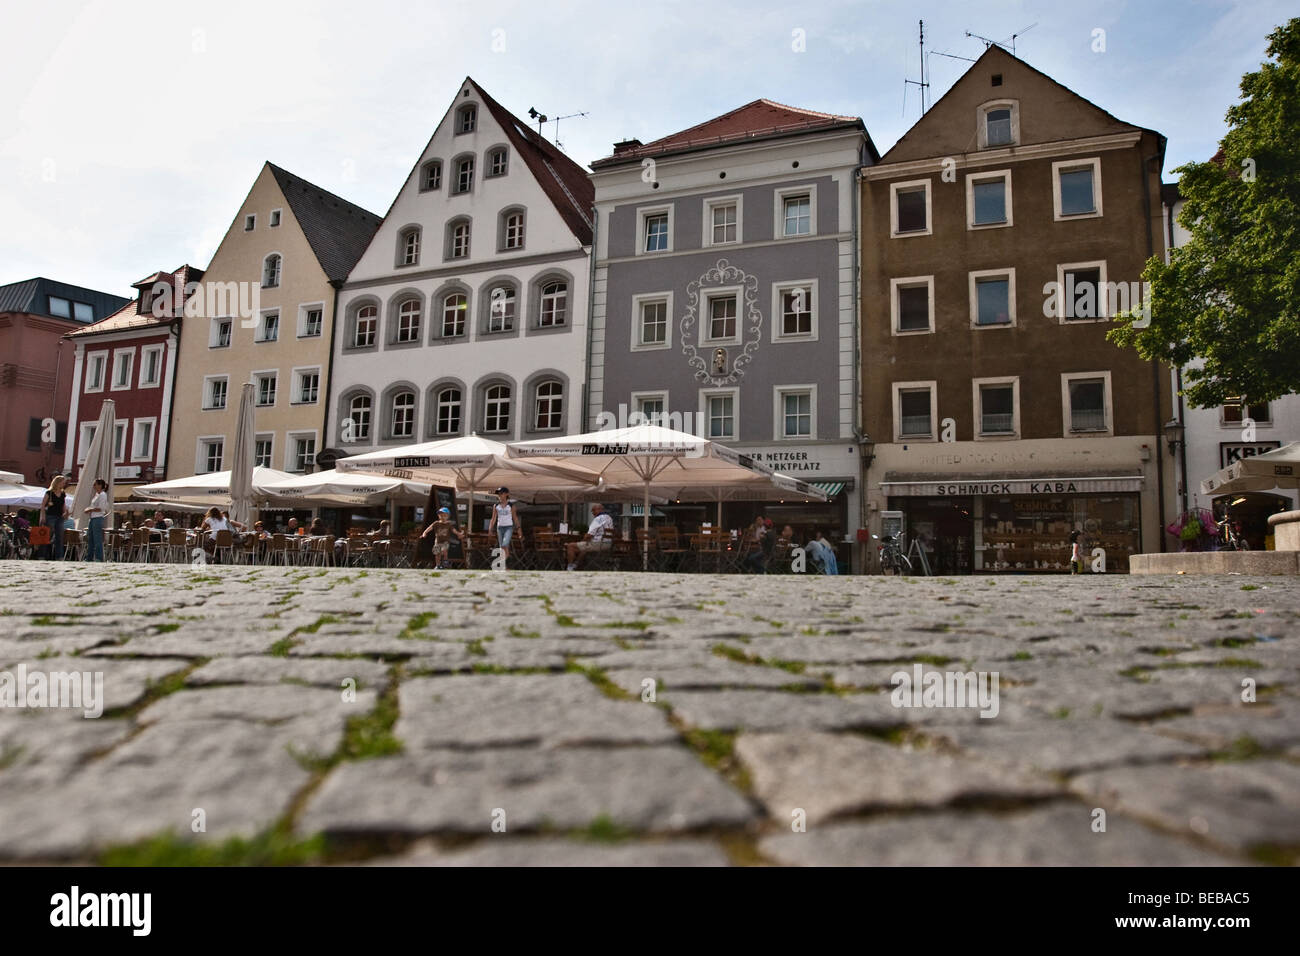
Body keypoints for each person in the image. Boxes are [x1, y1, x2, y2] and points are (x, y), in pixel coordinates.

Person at [566, 503, 614, 571]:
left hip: (598, 544)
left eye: (594, 510)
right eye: (592, 511)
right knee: (584, 547)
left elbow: (589, 535)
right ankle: (576, 565)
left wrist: (582, 540)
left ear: (600, 509)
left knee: (570, 546)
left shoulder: (597, 519)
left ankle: (570, 567)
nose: (592, 513)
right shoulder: (609, 517)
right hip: (608, 544)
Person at [40, 475, 69, 560]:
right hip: (50, 516)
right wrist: (43, 516)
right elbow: (42, 505)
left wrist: (66, 512)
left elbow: (63, 504)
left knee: (59, 537)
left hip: (60, 517)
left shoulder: (63, 493)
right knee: (47, 536)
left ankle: (59, 556)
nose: (63, 484)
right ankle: (42, 555)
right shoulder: (49, 493)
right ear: (57, 483)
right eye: (62, 483)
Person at [488, 487, 519, 566]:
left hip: (509, 527)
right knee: (502, 547)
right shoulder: (496, 506)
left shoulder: (511, 506)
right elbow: (493, 518)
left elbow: (515, 518)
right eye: (498, 494)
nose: (499, 495)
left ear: (506, 494)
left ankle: (505, 562)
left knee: (505, 544)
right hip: (500, 527)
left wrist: (519, 529)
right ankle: (507, 563)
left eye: (501, 493)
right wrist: (490, 529)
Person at [81, 478, 110, 561]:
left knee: (97, 539)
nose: (94, 486)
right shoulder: (97, 495)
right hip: (93, 518)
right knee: (91, 539)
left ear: (100, 485)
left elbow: (101, 508)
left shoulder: (102, 495)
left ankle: (98, 557)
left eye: (95, 484)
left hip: (98, 518)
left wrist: (90, 509)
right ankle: (89, 557)